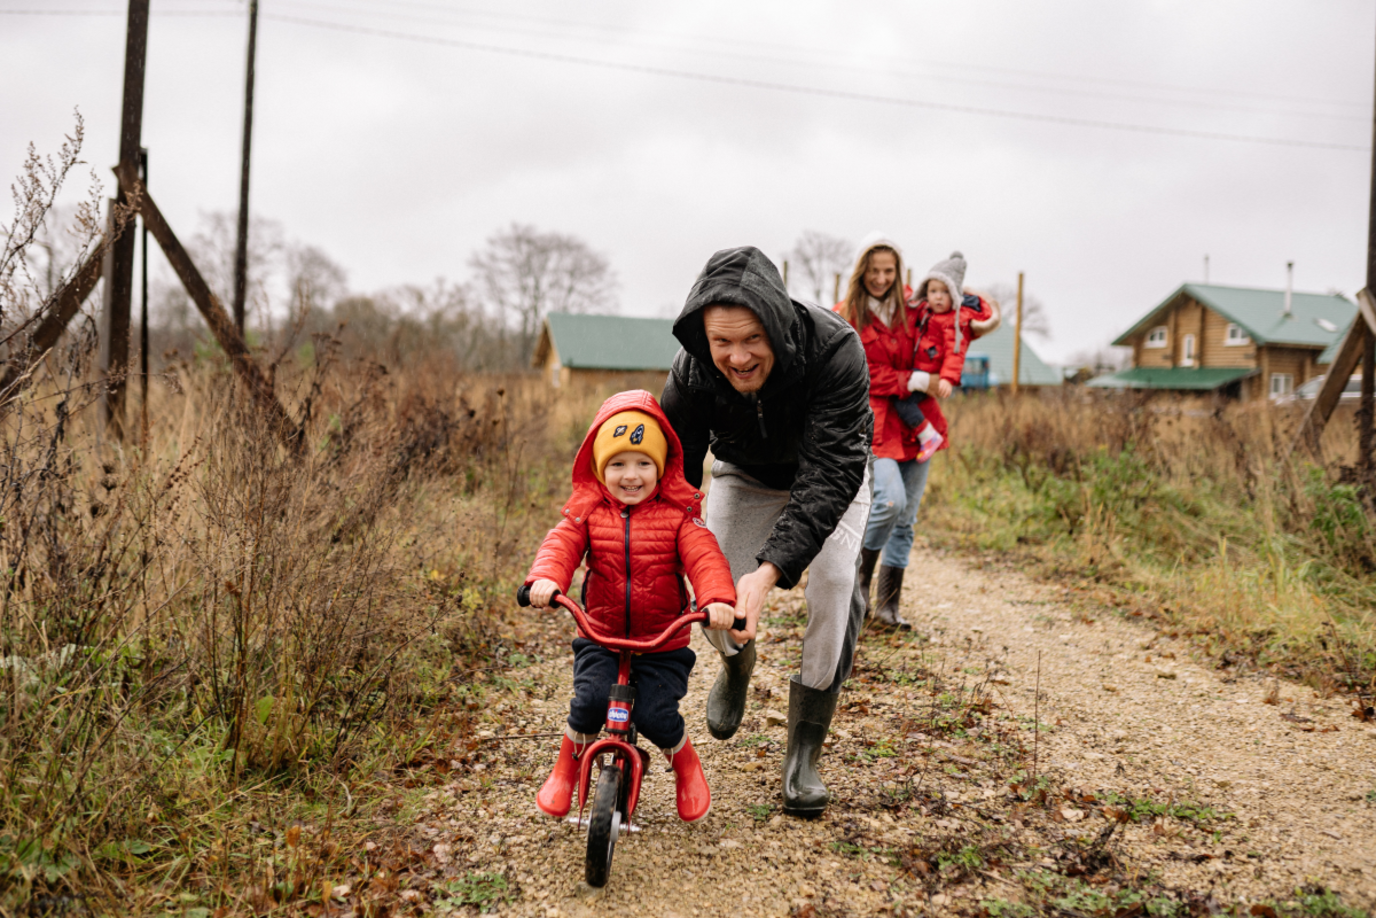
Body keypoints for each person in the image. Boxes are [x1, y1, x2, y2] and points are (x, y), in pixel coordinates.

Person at [661, 245, 872, 818]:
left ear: (776, 324)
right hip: (745, 474)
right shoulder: (693, 368)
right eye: (722, 342)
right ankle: (735, 665)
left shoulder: (835, 351)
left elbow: (831, 474)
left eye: (752, 339)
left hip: (830, 476)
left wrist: (770, 569)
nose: (737, 357)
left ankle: (805, 750)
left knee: (831, 581)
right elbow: (674, 475)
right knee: (714, 585)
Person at [523, 389, 738, 824]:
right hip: (601, 635)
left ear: (661, 467)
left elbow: (704, 556)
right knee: (588, 702)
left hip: (662, 641)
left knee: (657, 715)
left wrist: (716, 600)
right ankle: (566, 768)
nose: (631, 475)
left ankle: (685, 765)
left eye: (643, 463)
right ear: (600, 470)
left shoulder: (679, 516)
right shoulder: (588, 514)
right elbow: (561, 545)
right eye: (617, 464)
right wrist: (545, 580)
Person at [841, 243, 998, 629]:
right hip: (878, 423)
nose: (881, 279)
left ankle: (888, 604)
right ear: (862, 271)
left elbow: (966, 320)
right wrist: (911, 378)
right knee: (889, 502)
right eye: (874, 271)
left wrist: (961, 290)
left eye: (889, 272)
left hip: (920, 421)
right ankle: (858, 583)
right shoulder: (848, 315)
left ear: (900, 273)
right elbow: (859, 371)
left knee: (907, 517)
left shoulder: (916, 305)